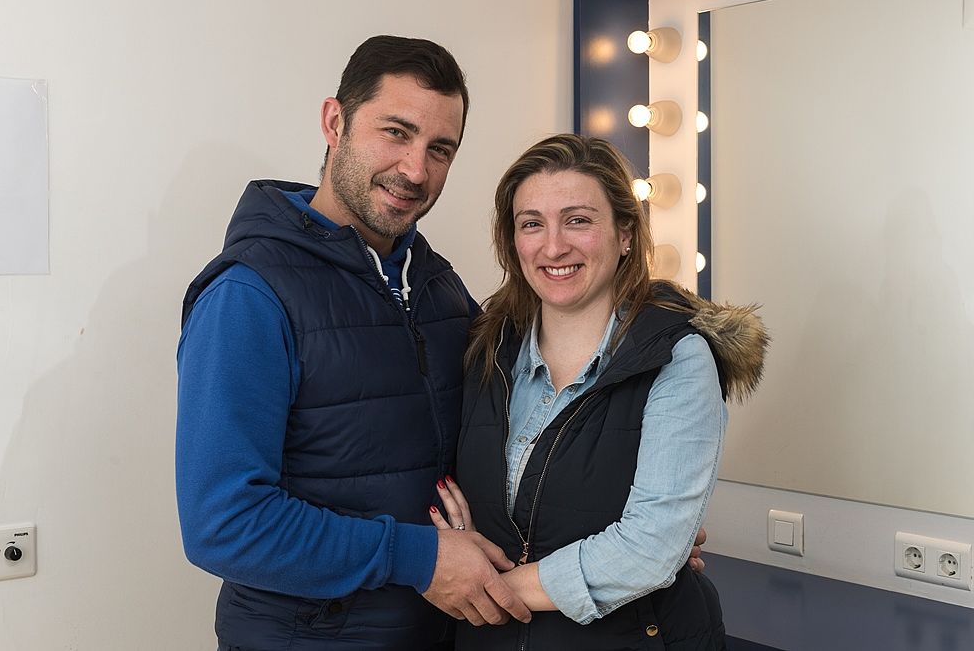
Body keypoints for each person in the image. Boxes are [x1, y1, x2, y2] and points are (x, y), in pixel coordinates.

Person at [175, 35, 533, 650]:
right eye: (396, 132)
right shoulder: (249, 295)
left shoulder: (436, 283)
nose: (416, 170)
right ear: (334, 122)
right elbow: (223, 524)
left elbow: (524, 418)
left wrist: (627, 524)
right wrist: (418, 558)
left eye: (439, 149)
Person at [429, 134, 769, 650]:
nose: (553, 245)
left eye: (578, 220)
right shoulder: (484, 347)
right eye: (532, 224)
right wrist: (454, 549)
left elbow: (650, 547)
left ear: (625, 233)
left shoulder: (677, 357)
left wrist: (484, 584)